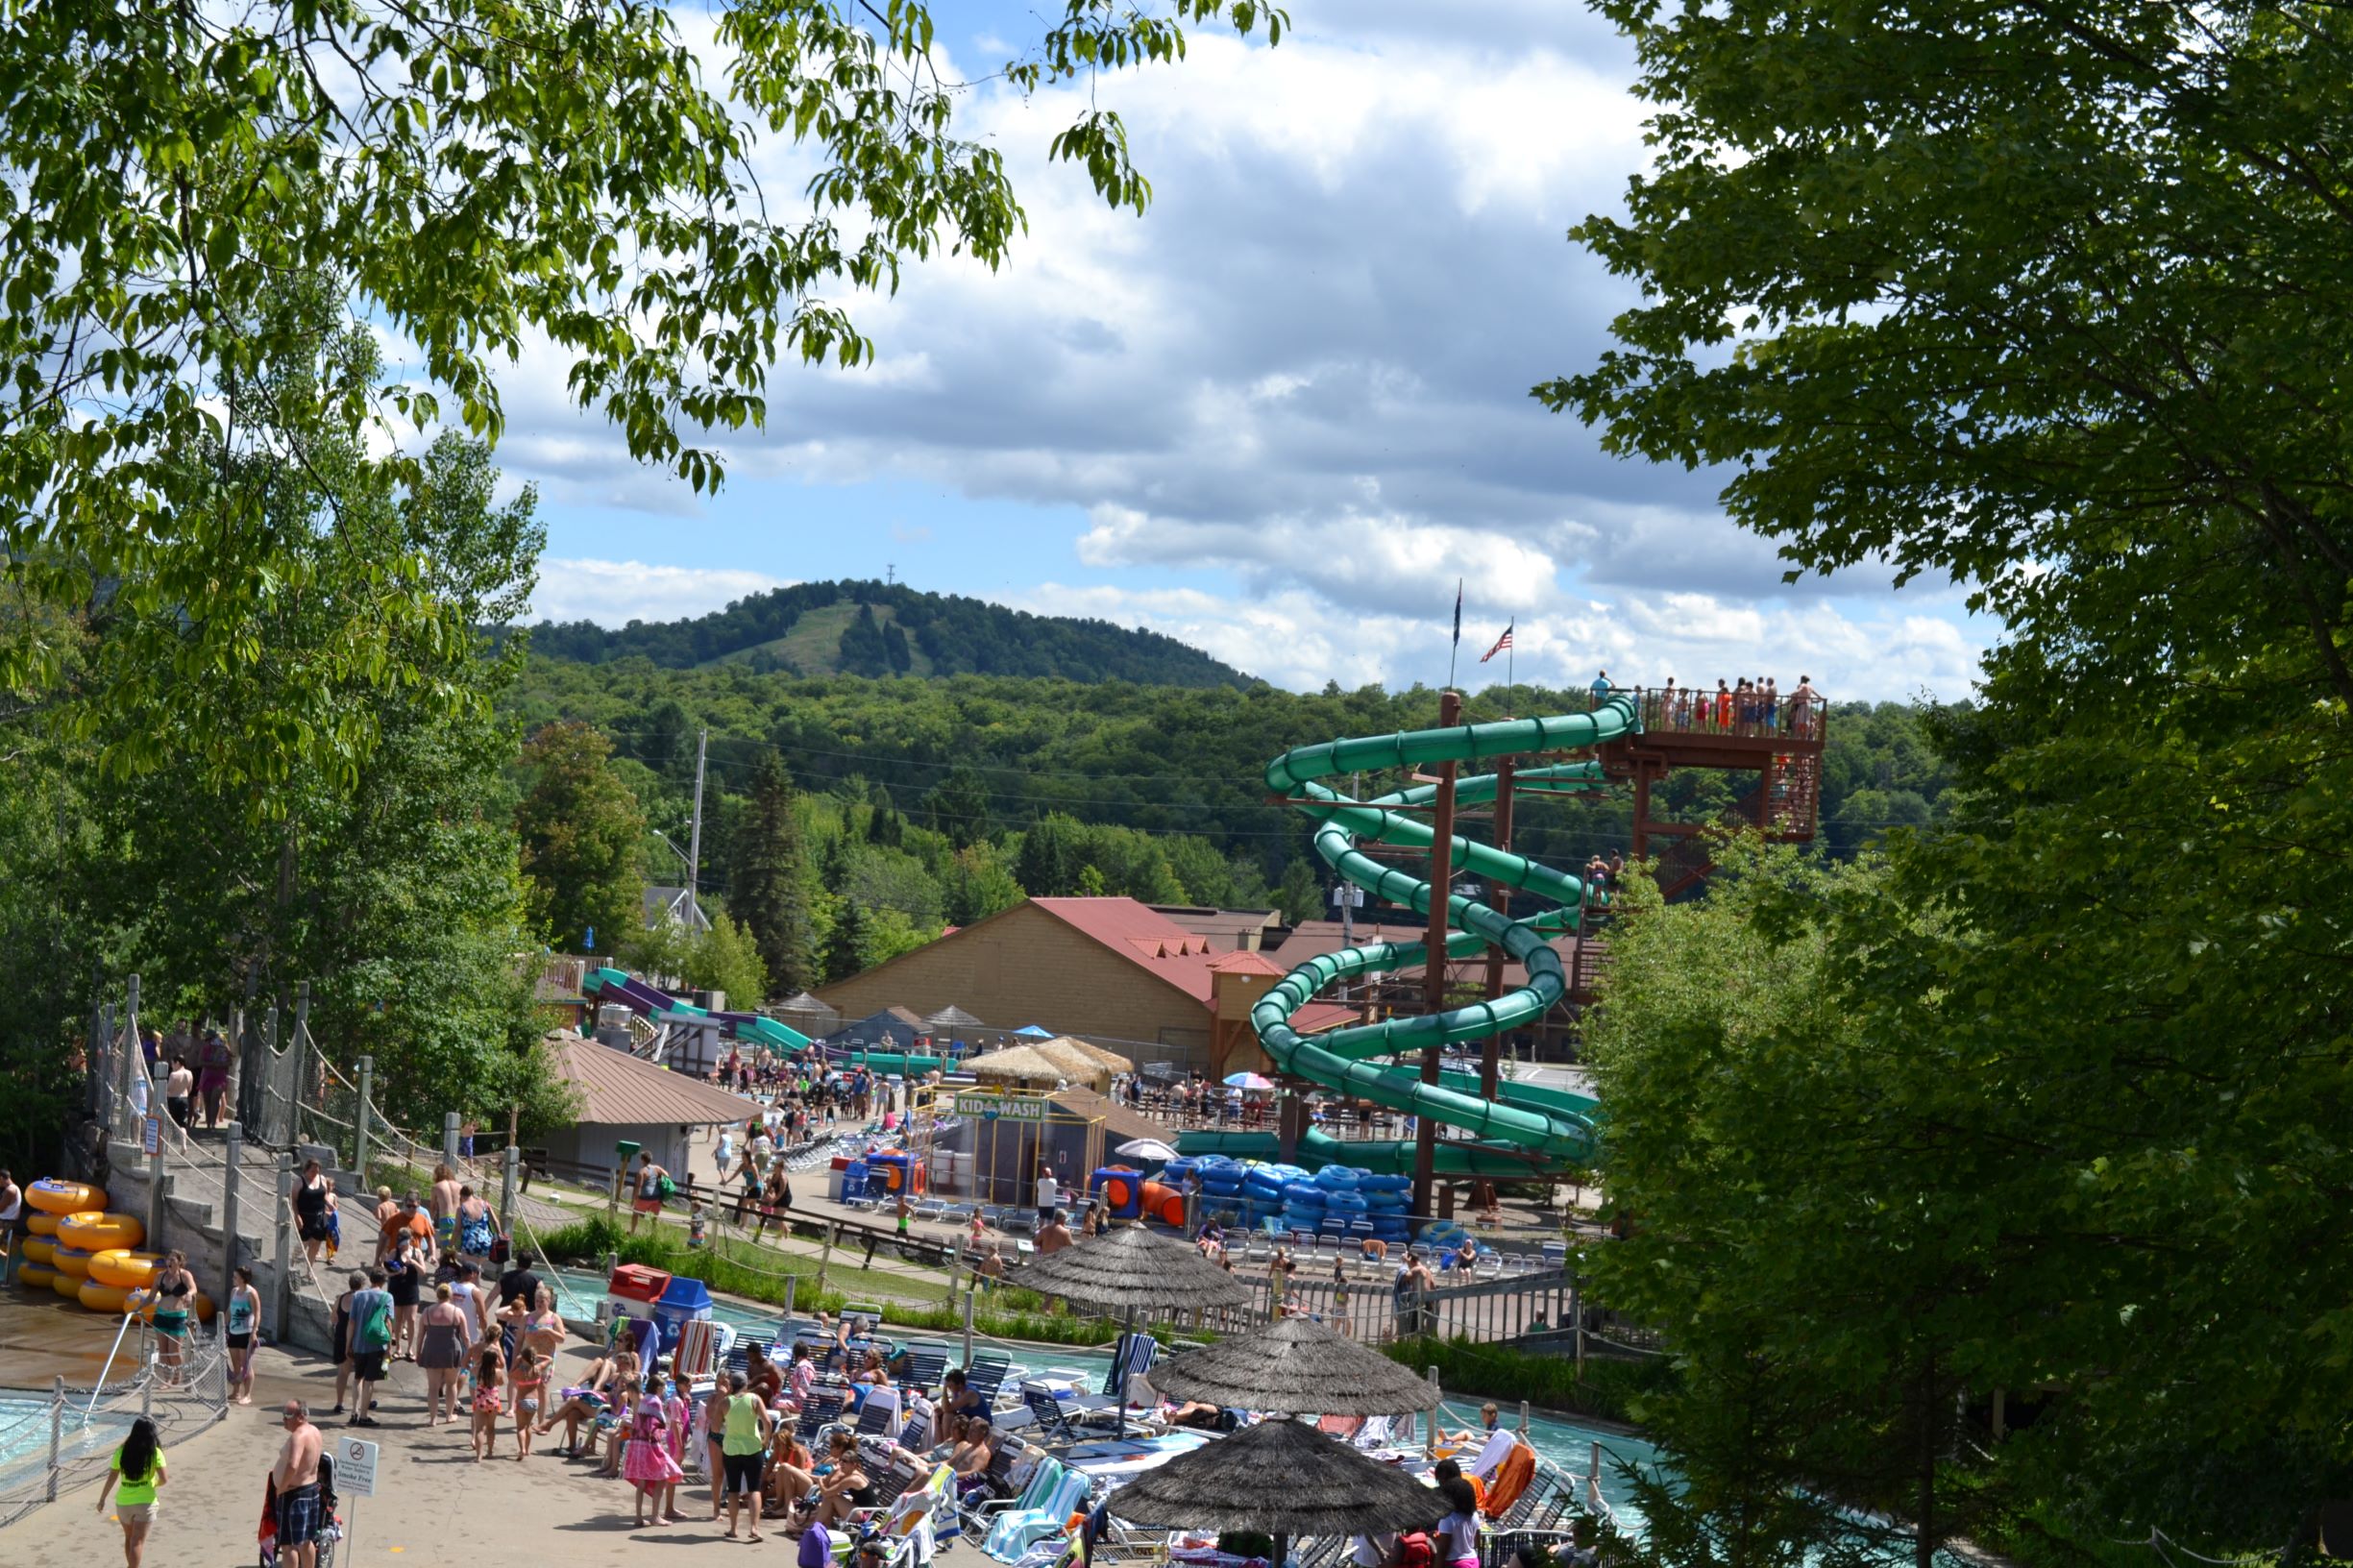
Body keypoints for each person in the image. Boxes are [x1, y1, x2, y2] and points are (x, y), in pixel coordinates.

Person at [96, 1414, 166, 1568]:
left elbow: (112, 1477)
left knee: (129, 1538)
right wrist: (154, 1483)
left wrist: (102, 1499)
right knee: (138, 1541)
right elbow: (164, 1479)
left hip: (124, 1503)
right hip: (145, 1503)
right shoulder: (155, 1453)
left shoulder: (121, 1451)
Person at [719, 1369, 774, 1542]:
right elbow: (767, 1422)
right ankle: (754, 1527)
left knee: (733, 1490)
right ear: (746, 1384)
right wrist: (765, 1441)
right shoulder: (755, 1399)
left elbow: (715, 1426)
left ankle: (733, 1528)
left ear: (731, 1385)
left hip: (732, 1449)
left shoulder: (725, 1402)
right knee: (754, 1488)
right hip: (752, 1448)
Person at [623, 1383, 687, 1524]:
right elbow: (662, 1423)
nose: (664, 1390)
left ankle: (639, 1518)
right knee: (662, 1476)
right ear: (658, 1388)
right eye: (663, 1387)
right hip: (651, 1445)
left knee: (641, 1482)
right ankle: (655, 1516)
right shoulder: (655, 1401)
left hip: (638, 1444)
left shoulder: (644, 1400)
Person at [271, 1401, 324, 1568]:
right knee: (306, 1541)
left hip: (294, 1495)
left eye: (287, 1416)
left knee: (288, 1546)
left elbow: (293, 1465)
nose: (284, 1420)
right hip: (311, 1491)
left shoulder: (298, 1436)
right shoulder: (314, 1431)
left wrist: (281, 1488)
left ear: (300, 1416)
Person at [418, 1281, 472, 1424]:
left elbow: (420, 1335)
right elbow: (465, 1336)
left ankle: (433, 1419)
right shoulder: (457, 1311)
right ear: (450, 1295)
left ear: (437, 1295)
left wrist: (418, 1353)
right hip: (451, 1351)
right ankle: (449, 1415)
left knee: (433, 1387)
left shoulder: (427, 1311)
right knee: (451, 1384)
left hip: (432, 1350)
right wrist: (470, 1352)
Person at [347, 1265, 394, 1425]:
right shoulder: (387, 1297)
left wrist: (349, 1344)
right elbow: (388, 1322)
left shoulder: (358, 1296)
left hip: (359, 1344)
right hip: (376, 1345)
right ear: (384, 1281)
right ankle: (364, 1416)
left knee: (357, 1378)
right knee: (369, 1381)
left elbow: (351, 1322)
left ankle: (354, 1411)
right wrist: (389, 1346)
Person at [149, 1250, 194, 1385]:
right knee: (163, 1351)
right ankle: (167, 1379)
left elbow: (193, 1288)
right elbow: (151, 1296)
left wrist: (190, 1294)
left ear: (179, 1262)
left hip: (177, 1317)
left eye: (172, 1260)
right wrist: (137, 1309)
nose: (169, 1262)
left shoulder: (185, 1275)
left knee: (174, 1351)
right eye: (167, 1260)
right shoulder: (160, 1276)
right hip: (161, 1315)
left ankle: (177, 1374)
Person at [385, 1221, 428, 1360]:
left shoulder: (417, 1252)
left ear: (410, 1240)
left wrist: (413, 1262)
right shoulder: (394, 1252)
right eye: (399, 1239)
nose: (400, 1243)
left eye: (403, 1240)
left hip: (411, 1290)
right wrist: (397, 1272)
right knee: (397, 1320)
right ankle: (398, 1348)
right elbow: (386, 1272)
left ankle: (410, 1349)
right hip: (396, 1289)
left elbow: (423, 1272)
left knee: (411, 1319)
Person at [223, 1263, 262, 1405]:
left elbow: (257, 1314)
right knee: (236, 1364)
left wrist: (254, 1332)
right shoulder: (234, 1291)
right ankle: (236, 1392)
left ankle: (248, 1395)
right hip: (233, 1331)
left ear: (243, 1279)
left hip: (246, 1332)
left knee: (246, 1365)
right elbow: (229, 1311)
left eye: (235, 1277)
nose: (233, 1278)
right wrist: (223, 1326)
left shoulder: (251, 1293)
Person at [291, 1159, 334, 1263]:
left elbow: (322, 1195)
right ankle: (292, 1259)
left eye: (317, 1171)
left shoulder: (322, 1179)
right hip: (305, 1217)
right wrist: (297, 1216)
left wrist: (328, 1203)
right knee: (304, 1243)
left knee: (316, 1244)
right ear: (306, 1169)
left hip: (320, 1217)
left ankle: (309, 1271)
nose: (315, 1174)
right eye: (312, 1171)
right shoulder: (299, 1181)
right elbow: (294, 1200)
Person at [469, 1343, 506, 1460]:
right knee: (491, 1427)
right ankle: (490, 1452)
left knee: (480, 1429)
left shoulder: (477, 1370)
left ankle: (479, 1455)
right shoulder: (498, 1372)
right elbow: (501, 1383)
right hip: (493, 1401)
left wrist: (480, 1360)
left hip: (480, 1400)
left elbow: (473, 1368)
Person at [1434, 1476, 1482, 1568]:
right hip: (1473, 1561)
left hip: (1455, 1563)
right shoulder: (1474, 1515)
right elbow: (1477, 1543)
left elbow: (1443, 1550)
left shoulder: (1448, 1518)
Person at [198, 1029, 233, 1129]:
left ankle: (213, 1123)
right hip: (207, 1076)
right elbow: (200, 1061)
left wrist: (221, 1064)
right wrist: (211, 1064)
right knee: (207, 1100)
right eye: (208, 1039)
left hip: (219, 1077)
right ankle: (209, 1124)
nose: (209, 1041)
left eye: (211, 1039)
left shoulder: (223, 1048)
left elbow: (230, 1062)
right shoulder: (205, 1048)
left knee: (215, 1099)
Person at [628, 1150, 669, 1236]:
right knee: (654, 1219)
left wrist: (633, 1201)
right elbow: (667, 1175)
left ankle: (632, 1232)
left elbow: (638, 1187)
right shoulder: (656, 1168)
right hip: (657, 1198)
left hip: (645, 1197)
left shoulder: (642, 1171)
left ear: (642, 1159)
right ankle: (654, 1236)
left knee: (635, 1213)